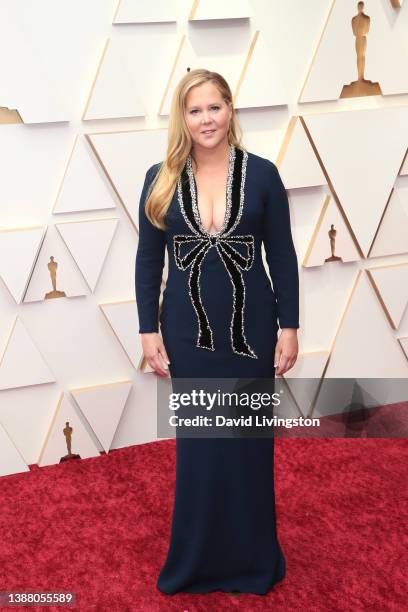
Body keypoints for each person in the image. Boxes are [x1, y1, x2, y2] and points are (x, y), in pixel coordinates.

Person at [135, 68, 299, 595]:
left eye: (214, 107)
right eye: (195, 110)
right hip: (187, 336)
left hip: (253, 334)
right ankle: (196, 562)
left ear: (230, 109)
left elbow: (284, 258)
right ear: (182, 119)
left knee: (248, 447)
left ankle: (253, 560)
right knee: (201, 448)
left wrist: (289, 327)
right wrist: (147, 330)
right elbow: (147, 261)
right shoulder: (158, 178)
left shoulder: (265, 175)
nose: (206, 119)